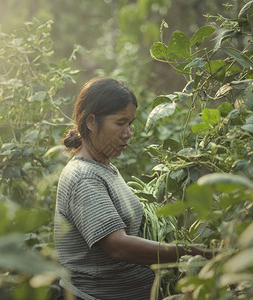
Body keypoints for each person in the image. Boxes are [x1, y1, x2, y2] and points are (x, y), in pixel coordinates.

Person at [54, 78, 208, 300]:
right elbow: (119, 246)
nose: (128, 133)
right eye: (120, 123)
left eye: (130, 123)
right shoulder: (83, 177)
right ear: (91, 121)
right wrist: (194, 252)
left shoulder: (104, 166)